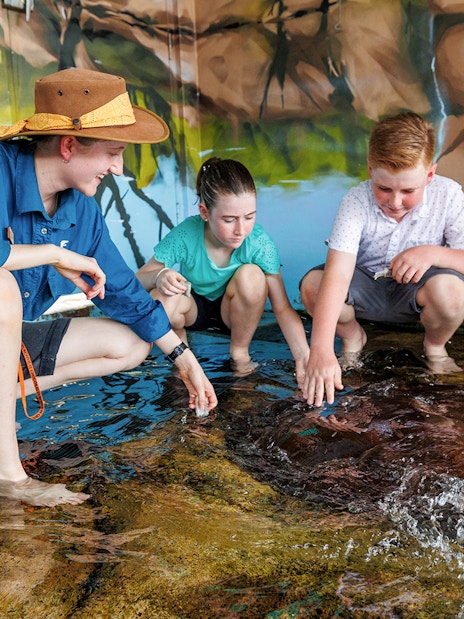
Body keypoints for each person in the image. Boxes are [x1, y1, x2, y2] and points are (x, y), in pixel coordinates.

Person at [0, 68, 217, 507]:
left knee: (131, 345)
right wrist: (53, 255)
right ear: (68, 146)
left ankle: (4, 405)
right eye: (113, 153)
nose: (118, 168)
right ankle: (10, 478)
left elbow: (129, 298)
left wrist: (185, 359)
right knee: (2, 287)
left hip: (9, 348)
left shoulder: (83, 211)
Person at [300, 111, 464, 408]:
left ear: (429, 175)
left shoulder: (449, 195)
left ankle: (435, 346)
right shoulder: (356, 200)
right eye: (384, 188)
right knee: (314, 285)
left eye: (408, 190)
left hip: (417, 292)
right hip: (367, 289)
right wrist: (320, 349)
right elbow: (338, 275)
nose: (395, 201)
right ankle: (353, 337)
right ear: (370, 169)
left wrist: (432, 253)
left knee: (454, 294)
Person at [136, 157, 310, 383]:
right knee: (162, 294)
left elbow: (283, 308)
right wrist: (160, 276)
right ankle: (181, 357)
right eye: (229, 219)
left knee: (252, 275)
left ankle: (240, 353)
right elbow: (139, 279)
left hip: (234, 313)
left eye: (249, 217)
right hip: (193, 309)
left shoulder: (258, 242)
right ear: (205, 212)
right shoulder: (187, 233)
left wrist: (304, 356)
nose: (241, 230)